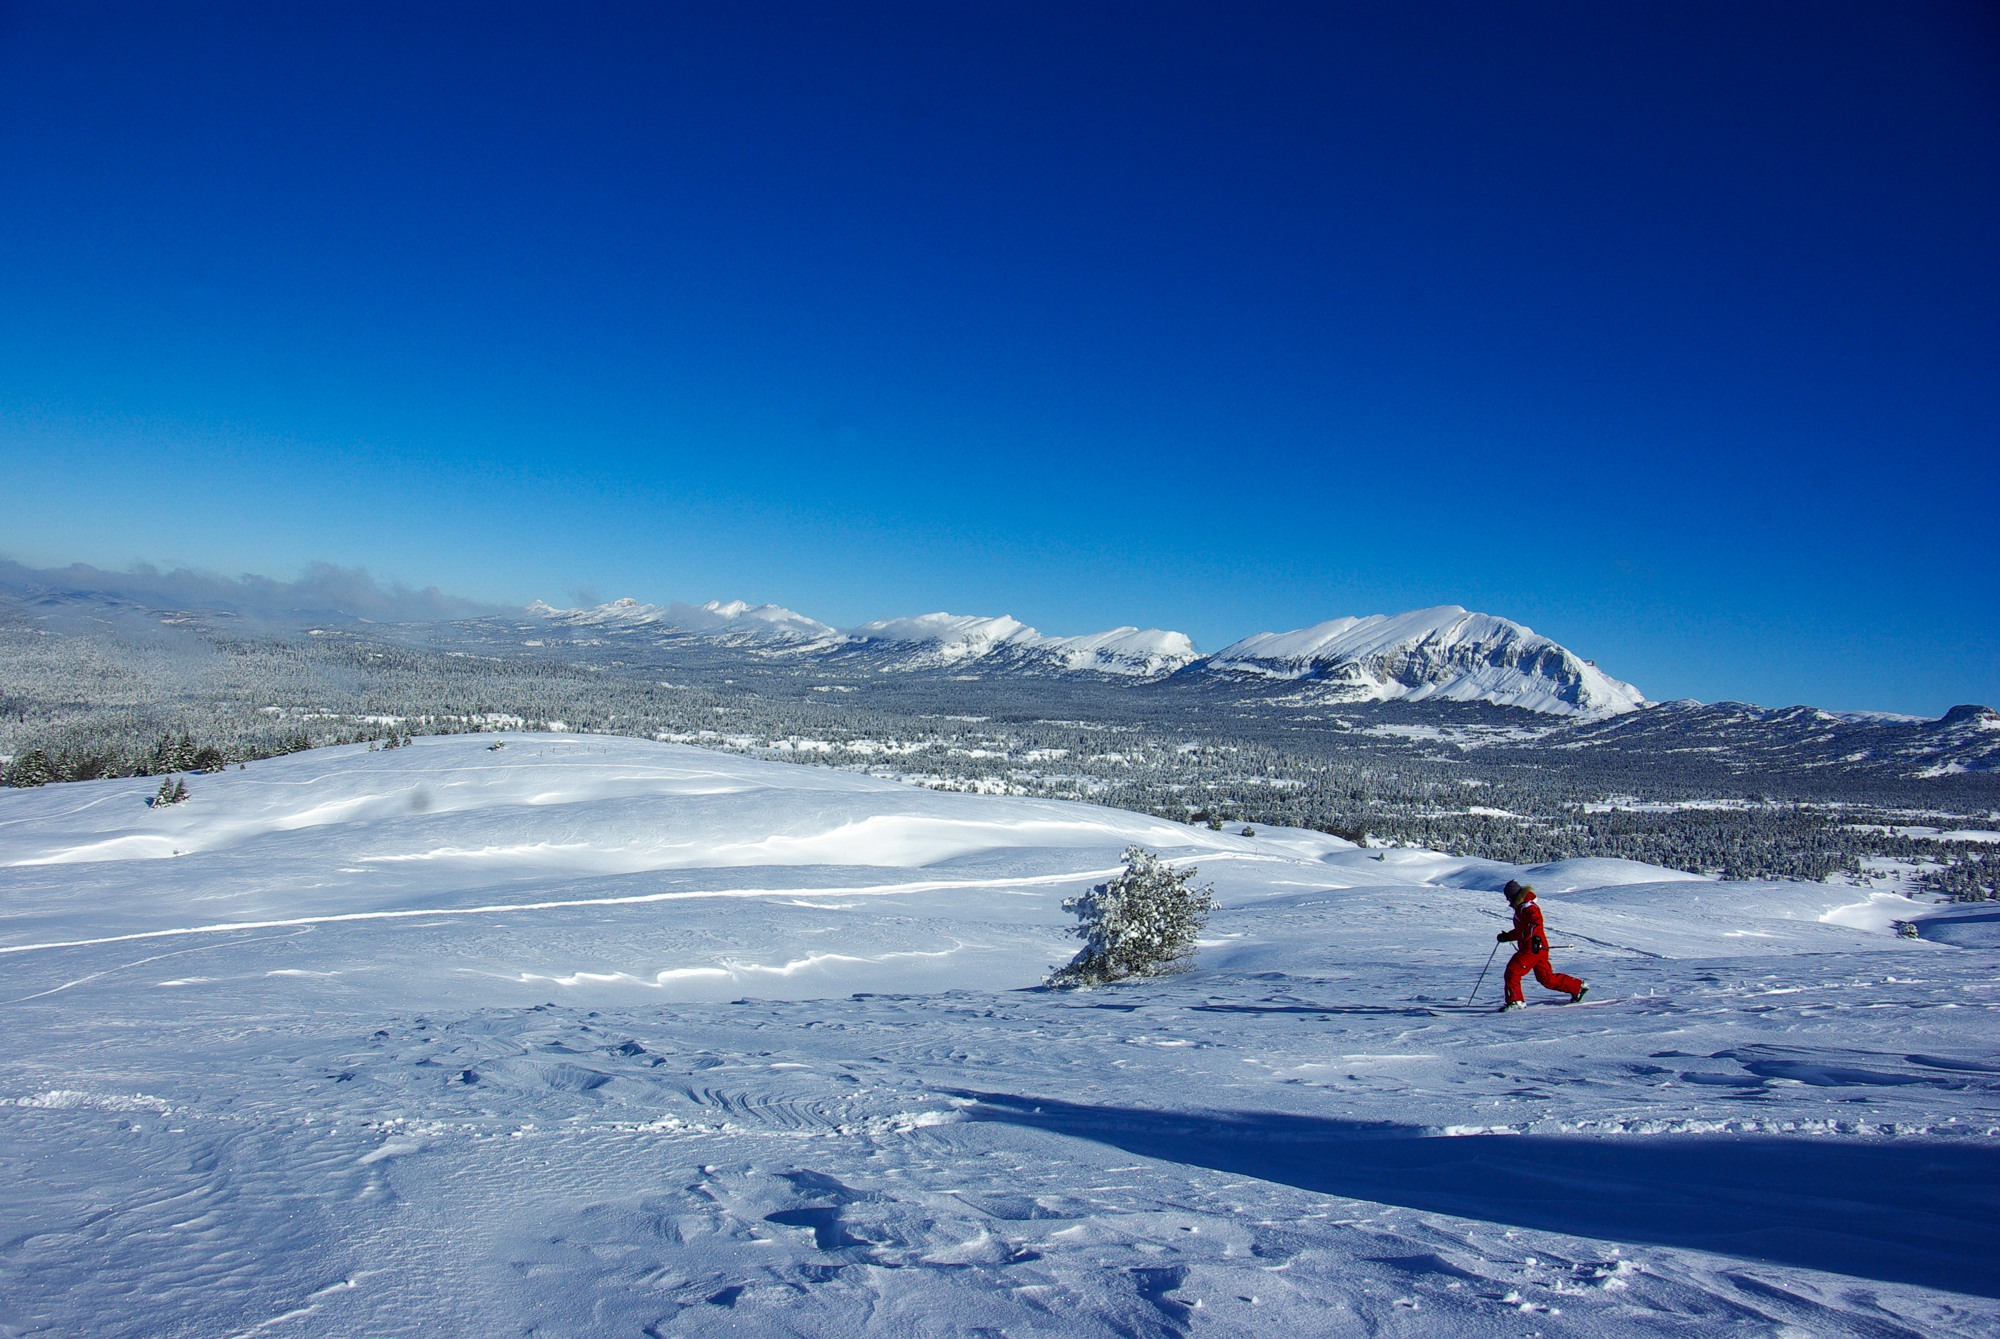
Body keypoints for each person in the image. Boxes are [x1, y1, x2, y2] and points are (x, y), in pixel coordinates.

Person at [1495, 879, 1588, 1011]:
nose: (1508, 901)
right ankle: (1577, 987)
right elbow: (1523, 930)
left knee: (1513, 970)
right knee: (1546, 978)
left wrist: (1536, 940)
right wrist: (1508, 936)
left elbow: (1536, 923)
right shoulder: (1523, 907)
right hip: (1537, 947)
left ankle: (1515, 1001)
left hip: (1533, 947)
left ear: (1515, 896)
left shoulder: (1529, 907)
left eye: (1509, 898)